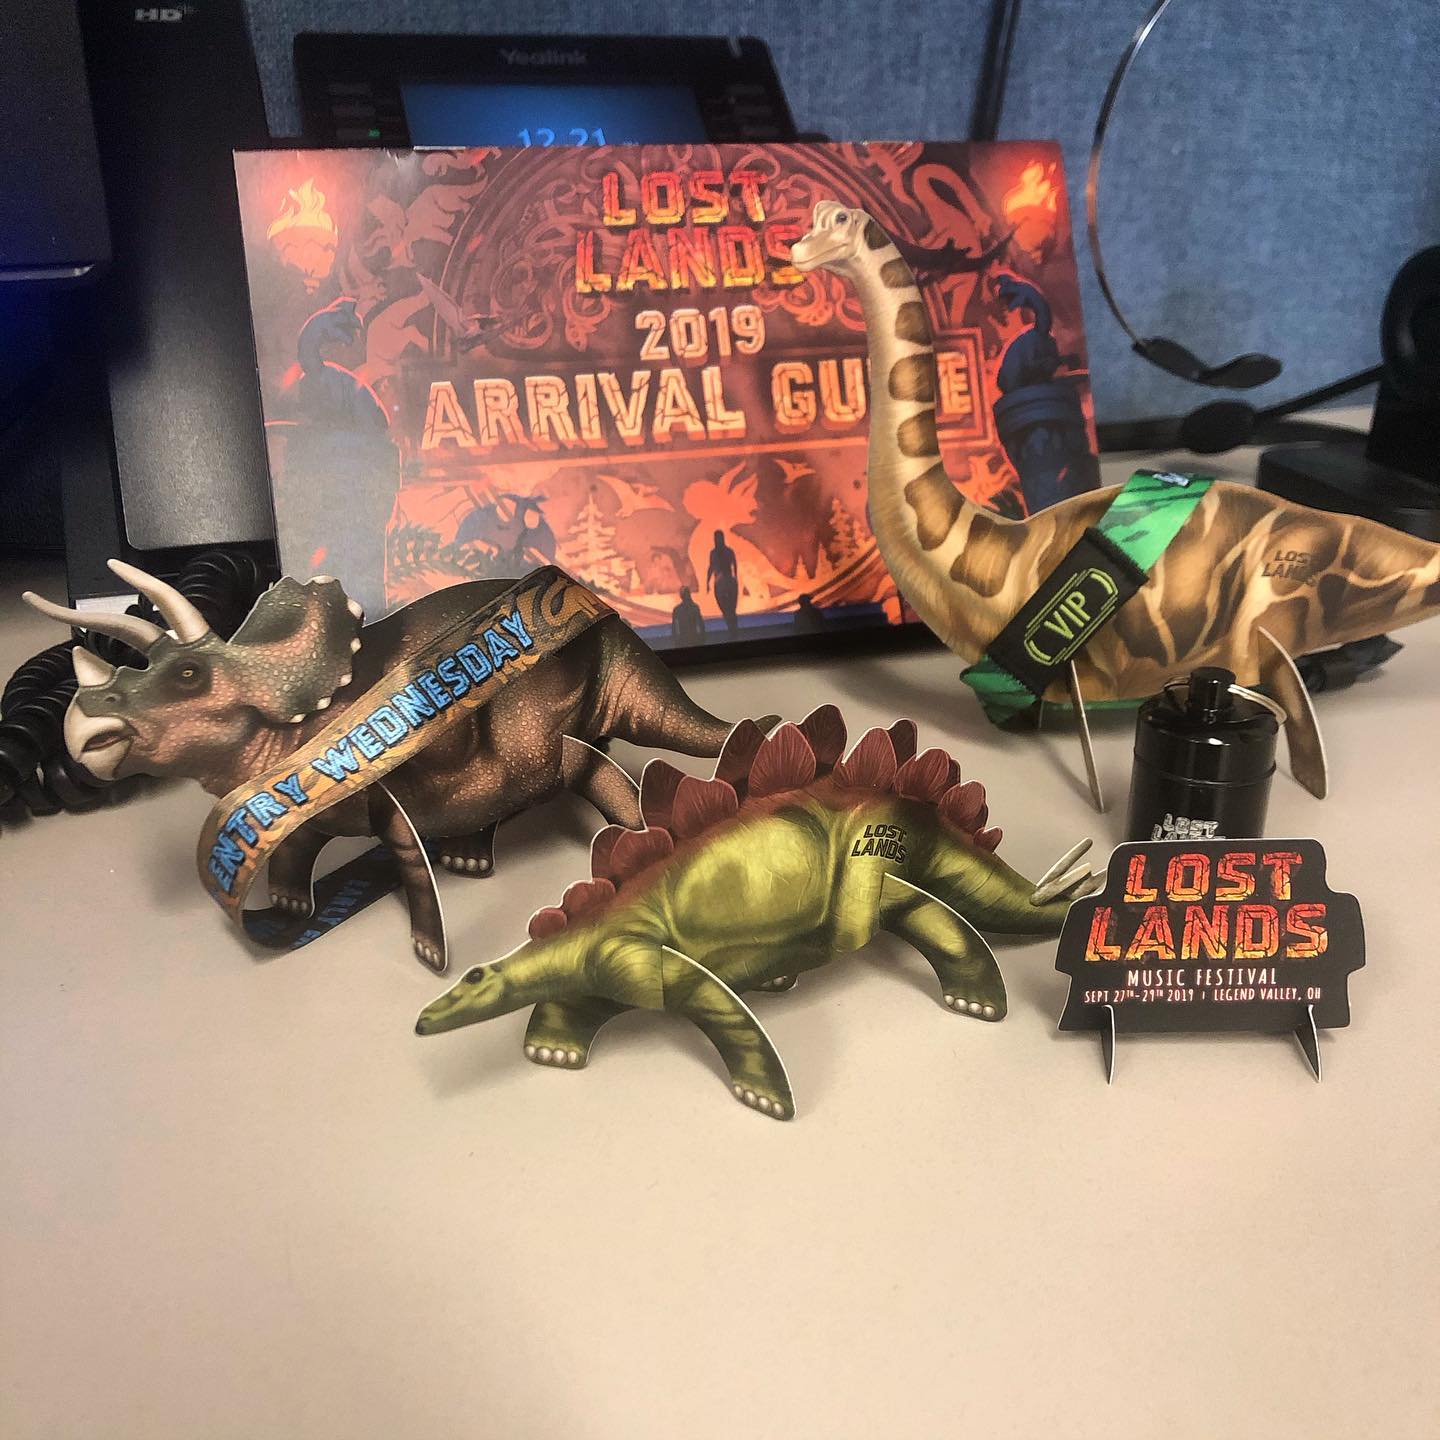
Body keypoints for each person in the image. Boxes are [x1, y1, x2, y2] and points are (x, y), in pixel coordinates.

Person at [706, 529, 740, 637]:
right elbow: (734, 564)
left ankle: (732, 630)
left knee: (726, 608)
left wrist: (707, 582)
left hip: (721, 582)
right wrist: (735, 578)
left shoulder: (714, 553)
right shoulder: (728, 551)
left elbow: (711, 567)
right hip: (729, 580)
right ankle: (733, 630)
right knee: (731, 608)